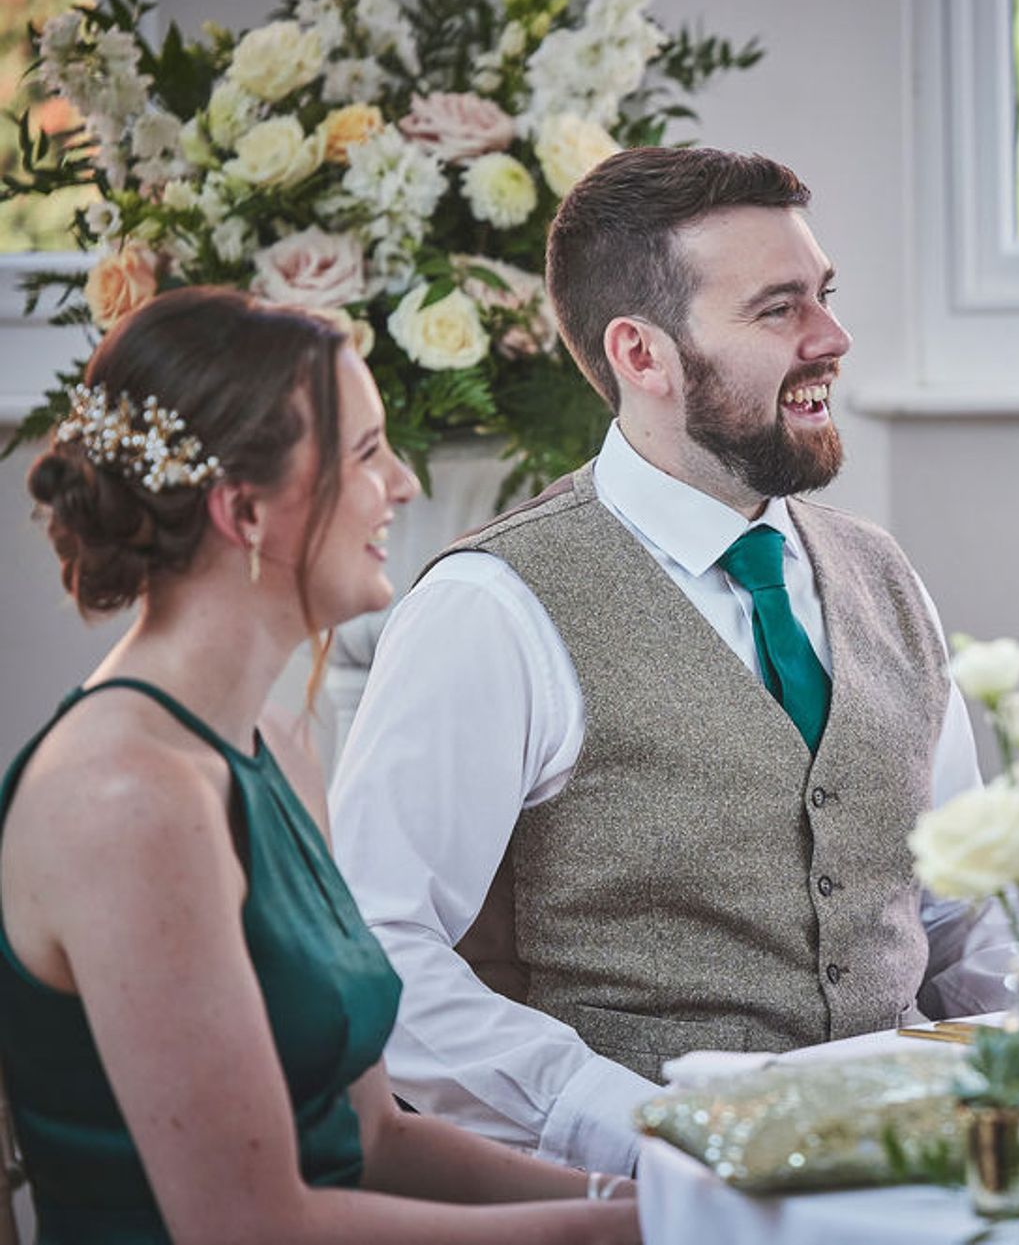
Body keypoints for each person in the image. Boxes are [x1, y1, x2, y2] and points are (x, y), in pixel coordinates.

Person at [329, 147, 1001, 1175]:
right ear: (643, 356)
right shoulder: (491, 609)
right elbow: (380, 955)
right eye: (779, 310)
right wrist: (642, 1139)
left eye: (823, 296)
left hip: (922, 1185)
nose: (833, 337)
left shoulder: (885, 577)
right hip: (649, 1206)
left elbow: (958, 914)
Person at [0, 288, 640, 1243]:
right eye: (367, 453)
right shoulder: (126, 798)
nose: (407, 484)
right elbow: (249, 1223)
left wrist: (643, 1195)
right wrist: (624, 1235)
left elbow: (374, 1138)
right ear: (245, 509)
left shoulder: (277, 746)